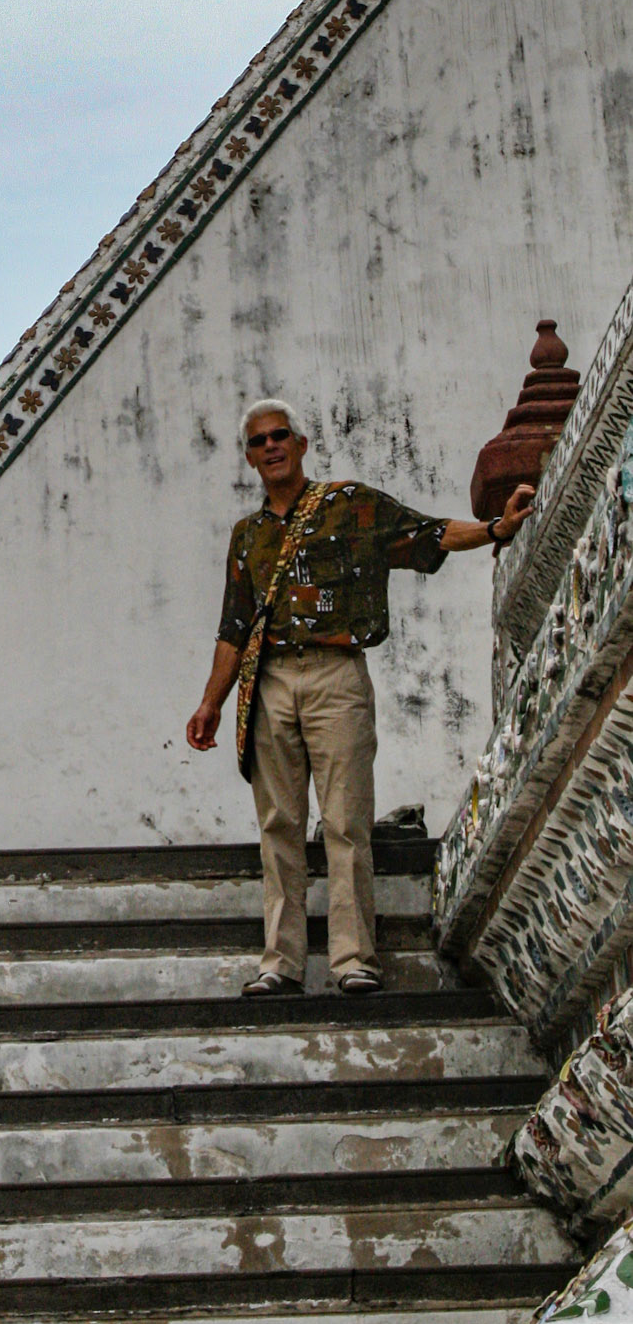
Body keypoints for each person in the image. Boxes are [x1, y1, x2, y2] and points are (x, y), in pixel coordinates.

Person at [186, 398, 533, 998]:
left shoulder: (349, 506)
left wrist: (498, 529)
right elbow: (234, 627)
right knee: (279, 824)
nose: (270, 447)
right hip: (267, 681)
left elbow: (429, 533)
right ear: (249, 457)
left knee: (345, 819)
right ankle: (281, 963)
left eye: (279, 437)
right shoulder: (248, 537)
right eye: (259, 441)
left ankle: (351, 959)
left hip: (335, 672)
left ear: (299, 444)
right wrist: (211, 701)